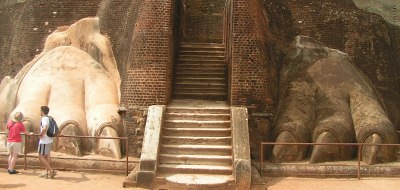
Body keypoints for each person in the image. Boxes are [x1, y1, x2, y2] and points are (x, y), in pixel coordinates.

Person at [38, 106, 57, 179]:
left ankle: (51, 170)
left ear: (42, 111)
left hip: (44, 140)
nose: (39, 112)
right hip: (49, 139)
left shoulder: (44, 119)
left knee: (40, 156)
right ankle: (46, 172)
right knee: (47, 155)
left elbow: (45, 128)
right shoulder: (49, 118)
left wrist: (41, 135)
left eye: (40, 110)